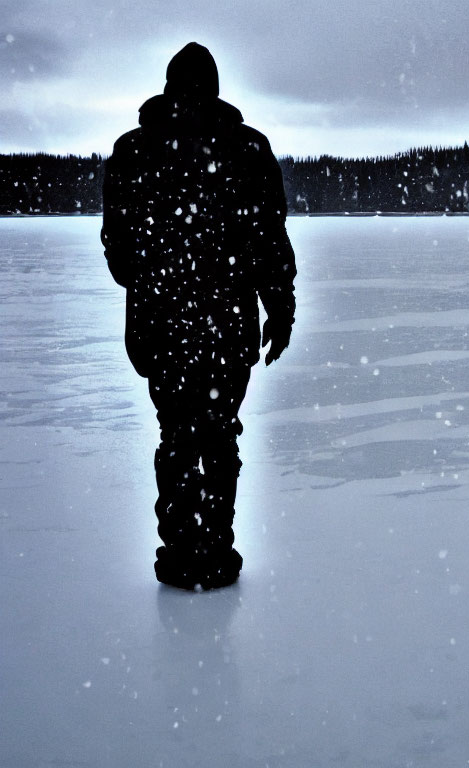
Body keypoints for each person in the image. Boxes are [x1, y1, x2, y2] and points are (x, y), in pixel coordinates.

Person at [101, 42, 296, 590]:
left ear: (169, 86)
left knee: (178, 436)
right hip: (227, 325)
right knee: (218, 435)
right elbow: (269, 244)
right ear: (213, 86)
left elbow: (119, 255)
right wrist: (278, 309)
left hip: (162, 325)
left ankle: (181, 554)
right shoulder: (246, 149)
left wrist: (158, 277)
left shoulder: (134, 151)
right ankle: (216, 550)